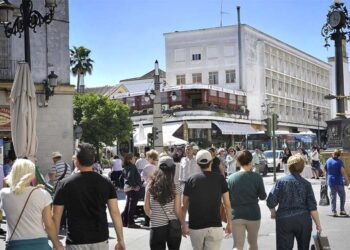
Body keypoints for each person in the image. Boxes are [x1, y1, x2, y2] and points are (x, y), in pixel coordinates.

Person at [52, 143, 125, 250]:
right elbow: (115, 212)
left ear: (76, 160)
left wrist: (56, 242)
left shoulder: (64, 184)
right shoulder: (106, 182)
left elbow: (56, 216)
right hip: (100, 239)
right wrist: (120, 240)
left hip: (76, 240)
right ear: (93, 159)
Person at [0, 159, 63, 250]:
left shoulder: (3, 194)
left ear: (13, 172)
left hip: (15, 245)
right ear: (32, 175)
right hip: (40, 245)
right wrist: (57, 244)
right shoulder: (42, 194)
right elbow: (48, 224)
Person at [267, 154, 322, 250]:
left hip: (284, 220)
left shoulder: (281, 182)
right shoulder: (307, 184)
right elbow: (312, 207)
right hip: (303, 220)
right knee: (304, 247)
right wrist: (318, 224)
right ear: (302, 167)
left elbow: (271, 201)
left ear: (289, 166)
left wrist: (273, 212)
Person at [182, 150, 232, 250]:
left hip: (196, 226)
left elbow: (185, 205)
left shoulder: (191, 180)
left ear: (197, 164)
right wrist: (230, 223)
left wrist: (183, 224)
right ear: (211, 162)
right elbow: (227, 204)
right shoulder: (220, 179)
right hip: (215, 225)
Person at [227, 150, 266, 250]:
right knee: (253, 243)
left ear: (238, 162)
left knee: (237, 245)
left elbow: (228, 199)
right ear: (251, 161)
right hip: (253, 214)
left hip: (237, 214)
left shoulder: (231, 178)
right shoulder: (257, 177)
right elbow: (263, 196)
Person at [144, 156, 185, 250]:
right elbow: (177, 210)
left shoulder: (150, 185)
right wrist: (183, 224)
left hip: (156, 226)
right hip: (173, 226)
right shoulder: (176, 186)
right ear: (173, 169)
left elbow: (146, 208)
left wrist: (155, 217)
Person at [325, 149, 350, 217]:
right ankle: (342, 210)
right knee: (342, 196)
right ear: (339, 155)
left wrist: (326, 181)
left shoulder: (328, 160)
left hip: (330, 181)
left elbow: (326, 171)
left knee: (333, 196)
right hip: (338, 181)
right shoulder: (339, 162)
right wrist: (348, 182)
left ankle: (334, 212)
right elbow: (343, 172)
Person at [121, 152, 142, 228]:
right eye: (133, 158)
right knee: (131, 206)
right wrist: (134, 186)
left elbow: (124, 177)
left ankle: (125, 222)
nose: (135, 159)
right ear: (130, 160)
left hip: (127, 188)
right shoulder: (133, 167)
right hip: (132, 188)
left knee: (128, 205)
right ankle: (130, 222)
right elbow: (130, 177)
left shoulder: (126, 167)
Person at [141, 149, 159, 227]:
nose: (147, 159)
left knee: (147, 204)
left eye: (148, 157)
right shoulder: (158, 166)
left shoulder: (147, 167)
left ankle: (147, 221)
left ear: (151, 158)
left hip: (148, 187)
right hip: (157, 187)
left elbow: (142, 176)